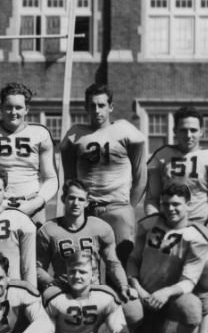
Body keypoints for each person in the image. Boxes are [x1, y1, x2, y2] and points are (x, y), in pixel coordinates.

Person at [145, 105, 208, 333]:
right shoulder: (162, 156)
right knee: (160, 284)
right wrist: (154, 226)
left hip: (199, 231)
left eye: (194, 130)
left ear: (203, 131)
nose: (189, 135)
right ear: (174, 131)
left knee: (202, 292)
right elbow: (151, 199)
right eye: (183, 130)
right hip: (167, 231)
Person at [125, 183, 208, 333]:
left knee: (192, 307)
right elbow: (133, 260)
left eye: (176, 204)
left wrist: (165, 292)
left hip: (172, 299)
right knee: (129, 309)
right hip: (144, 295)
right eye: (165, 204)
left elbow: (189, 282)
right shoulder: (148, 224)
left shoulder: (197, 237)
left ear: (188, 205)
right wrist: (137, 288)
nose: (170, 209)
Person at [59, 83, 147, 262]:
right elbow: (70, 180)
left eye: (101, 105)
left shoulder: (125, 131)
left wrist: (129, 206)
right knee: (85, 265)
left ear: (111, 107)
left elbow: (141, 177)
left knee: (123, 263)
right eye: (92, 105)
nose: (97, 110)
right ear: (86, 108)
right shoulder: (75, 136)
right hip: (87, 208)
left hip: (117, 207)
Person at [44, 250, 144, 333]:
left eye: (82, 272)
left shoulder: (105, 296)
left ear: (93, 275)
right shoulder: (54, 296)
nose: (76, 276)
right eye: (72, 271)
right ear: (66, 273)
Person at [0, 82, 58, 220]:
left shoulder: (40, 133)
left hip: (31, 203)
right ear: (1, 107)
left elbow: (51, 178)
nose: (13, 112)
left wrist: (36, 203)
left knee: (36, 241)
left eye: (18, 107)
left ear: (27, 109)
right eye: (8, 107)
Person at [36, 179, 128, 299]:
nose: (76, 203)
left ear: (87, 203)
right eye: (71, 198)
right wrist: (51, 281)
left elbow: (113, 263)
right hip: (64, 291)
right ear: (63, 199)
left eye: (81, 199)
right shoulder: (48, 230)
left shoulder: (100, 227)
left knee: (132, 308)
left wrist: (123, 286)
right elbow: (37, 267)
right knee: (48, 296)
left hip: (93, 289)